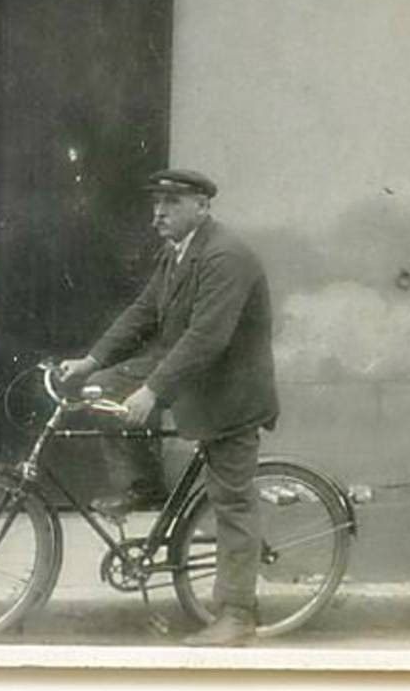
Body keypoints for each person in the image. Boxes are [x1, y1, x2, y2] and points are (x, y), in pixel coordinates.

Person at [58, 168, 278, 647]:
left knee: (232, 502)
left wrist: (153, 391)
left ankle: (238, 614)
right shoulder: (177, 253)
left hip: (230, 391)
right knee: (100, 389)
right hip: (189, 375)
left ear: (203, 206)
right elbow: (142, 312)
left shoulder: (225, 257)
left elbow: (207, 338)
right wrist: (92, 359)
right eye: (156, 202)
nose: (158, 212)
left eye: (172, 202)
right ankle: (143, 486)